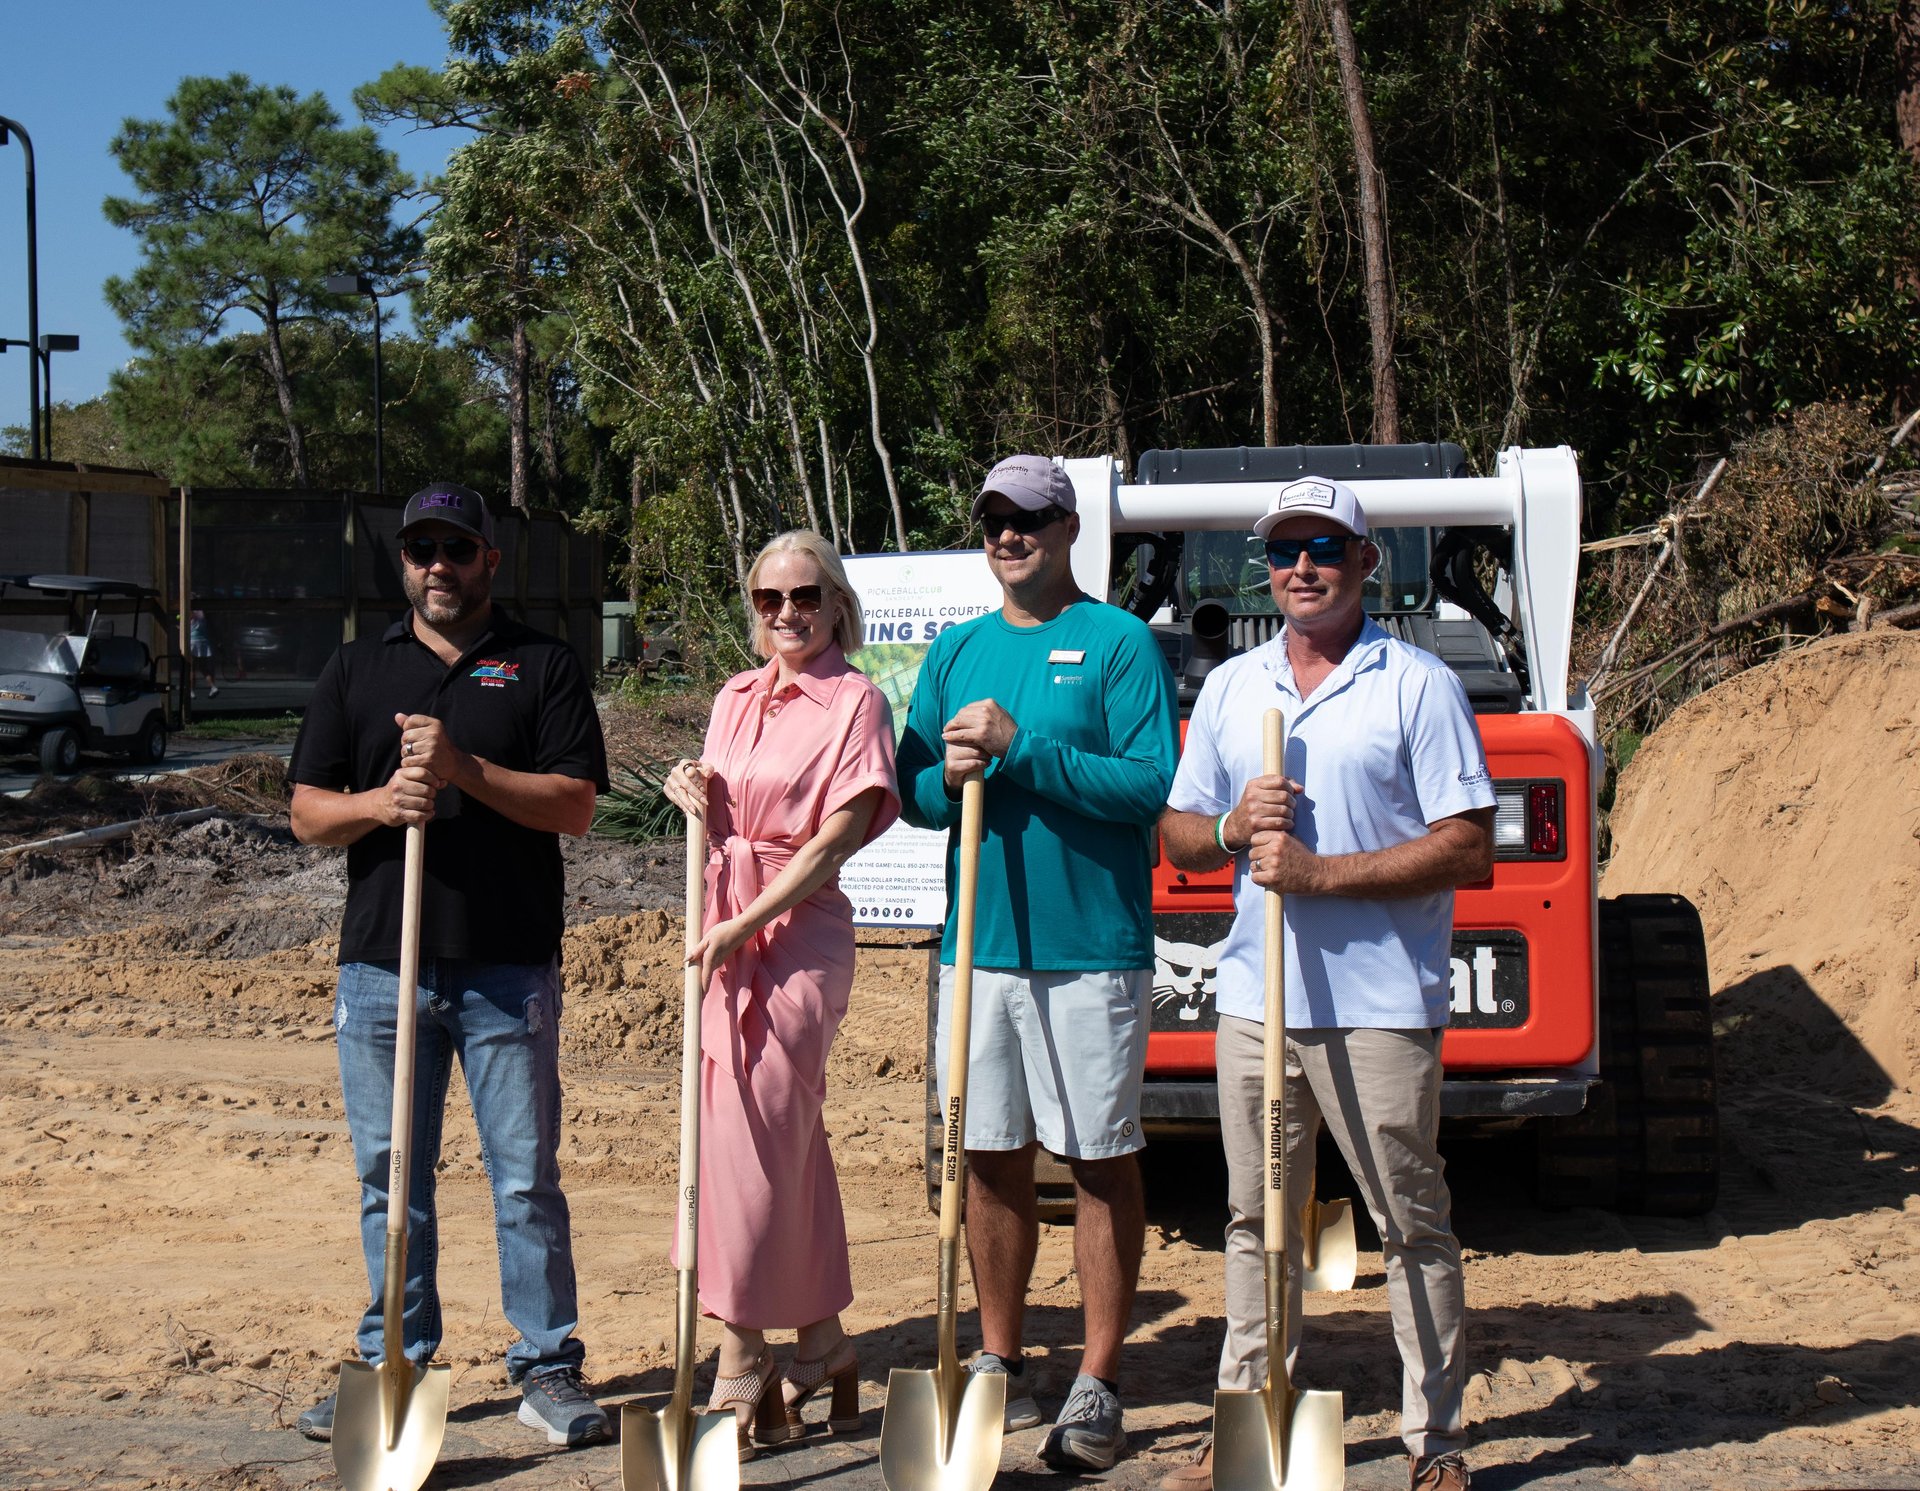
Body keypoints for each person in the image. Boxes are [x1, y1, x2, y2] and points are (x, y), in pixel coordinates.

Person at [1156, 477, 1496, 1491]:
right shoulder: (1231, 688)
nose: (1302, 566)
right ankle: (1251, 1417)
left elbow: (1469, 847)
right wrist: (1230, 829)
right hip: (1259, 1005)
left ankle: (1434, 1439)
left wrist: (1320, 876)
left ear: (1365, 562)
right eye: (1285, 549)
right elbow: (1178, 831)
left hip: (1382, 1008)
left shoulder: (1415, 684)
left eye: (1325, 547)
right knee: (1258, 1219)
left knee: (1409, 1222)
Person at [286, 481, 613, 1450]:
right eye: (421, 549)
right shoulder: (357, 669)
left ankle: (547, 1366)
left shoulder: (541, 665)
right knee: (393, 1177)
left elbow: (574, 806)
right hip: (383, 971)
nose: (439, 565)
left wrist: (465, 770)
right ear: (403, 562)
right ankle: (396, 1355)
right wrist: (382, 804)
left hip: (507, 969)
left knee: (522, 1179)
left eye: (457, 548)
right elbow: (307, 811)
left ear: (489, 561)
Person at [896, 454, 1178, 1472]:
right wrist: (946, 776)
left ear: (1067, 529)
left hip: (1089, 952)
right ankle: (1001, 1358)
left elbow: (1148, 788)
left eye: (1027, 519)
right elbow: (914, 791)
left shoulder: (1116, 644)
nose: (1008, 535)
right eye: (993, 521)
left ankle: (1100, 1379)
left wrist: (1023, 754)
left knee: (1100, 1160)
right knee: (989, 1155)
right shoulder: (956, 650)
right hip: (980, 952)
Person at [660, 530, 900, 1459]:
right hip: (722, 917)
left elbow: (831, 845)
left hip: (796, 932)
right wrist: (693, 786)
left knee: (752, 1133)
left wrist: (743, 919)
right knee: (777, 1136)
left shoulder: (855, 701)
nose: (786, 615)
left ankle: (738, 1347)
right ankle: (826, 1342)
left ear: (836, 602)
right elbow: (724, 806)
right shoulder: (732, 696)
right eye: (768, 599)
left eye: (804, 597)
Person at [189, 608, 218, 697]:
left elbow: (186, 625)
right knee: (203, 667)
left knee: (191, 668)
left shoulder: (190, 612)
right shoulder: (204, 613)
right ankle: (213, 687)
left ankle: (191, 691)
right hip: (204, 642)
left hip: (193, 642)